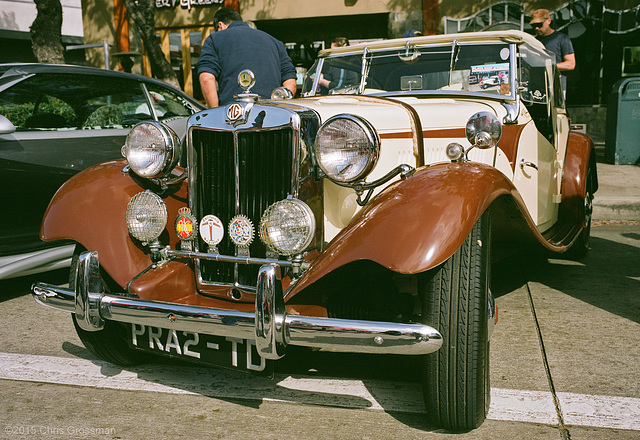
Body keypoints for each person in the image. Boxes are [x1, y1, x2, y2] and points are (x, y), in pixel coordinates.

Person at [197, 8, 297, 108]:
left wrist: (215, 113)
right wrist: (280, 107)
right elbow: (291, 82)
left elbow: (206, 78)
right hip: (271, 114)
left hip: (234, 114)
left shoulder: (214, 39)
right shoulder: (275, 42)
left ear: (220, 25)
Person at [529, 8, 575, 93]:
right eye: (533, 25)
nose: (536, 28)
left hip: (556, 88)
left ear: (548, 21)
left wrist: (548, 66)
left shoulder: (562, 38)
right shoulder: (533, 41)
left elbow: (571, 64)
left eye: (539, 24)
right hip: (537, 88)